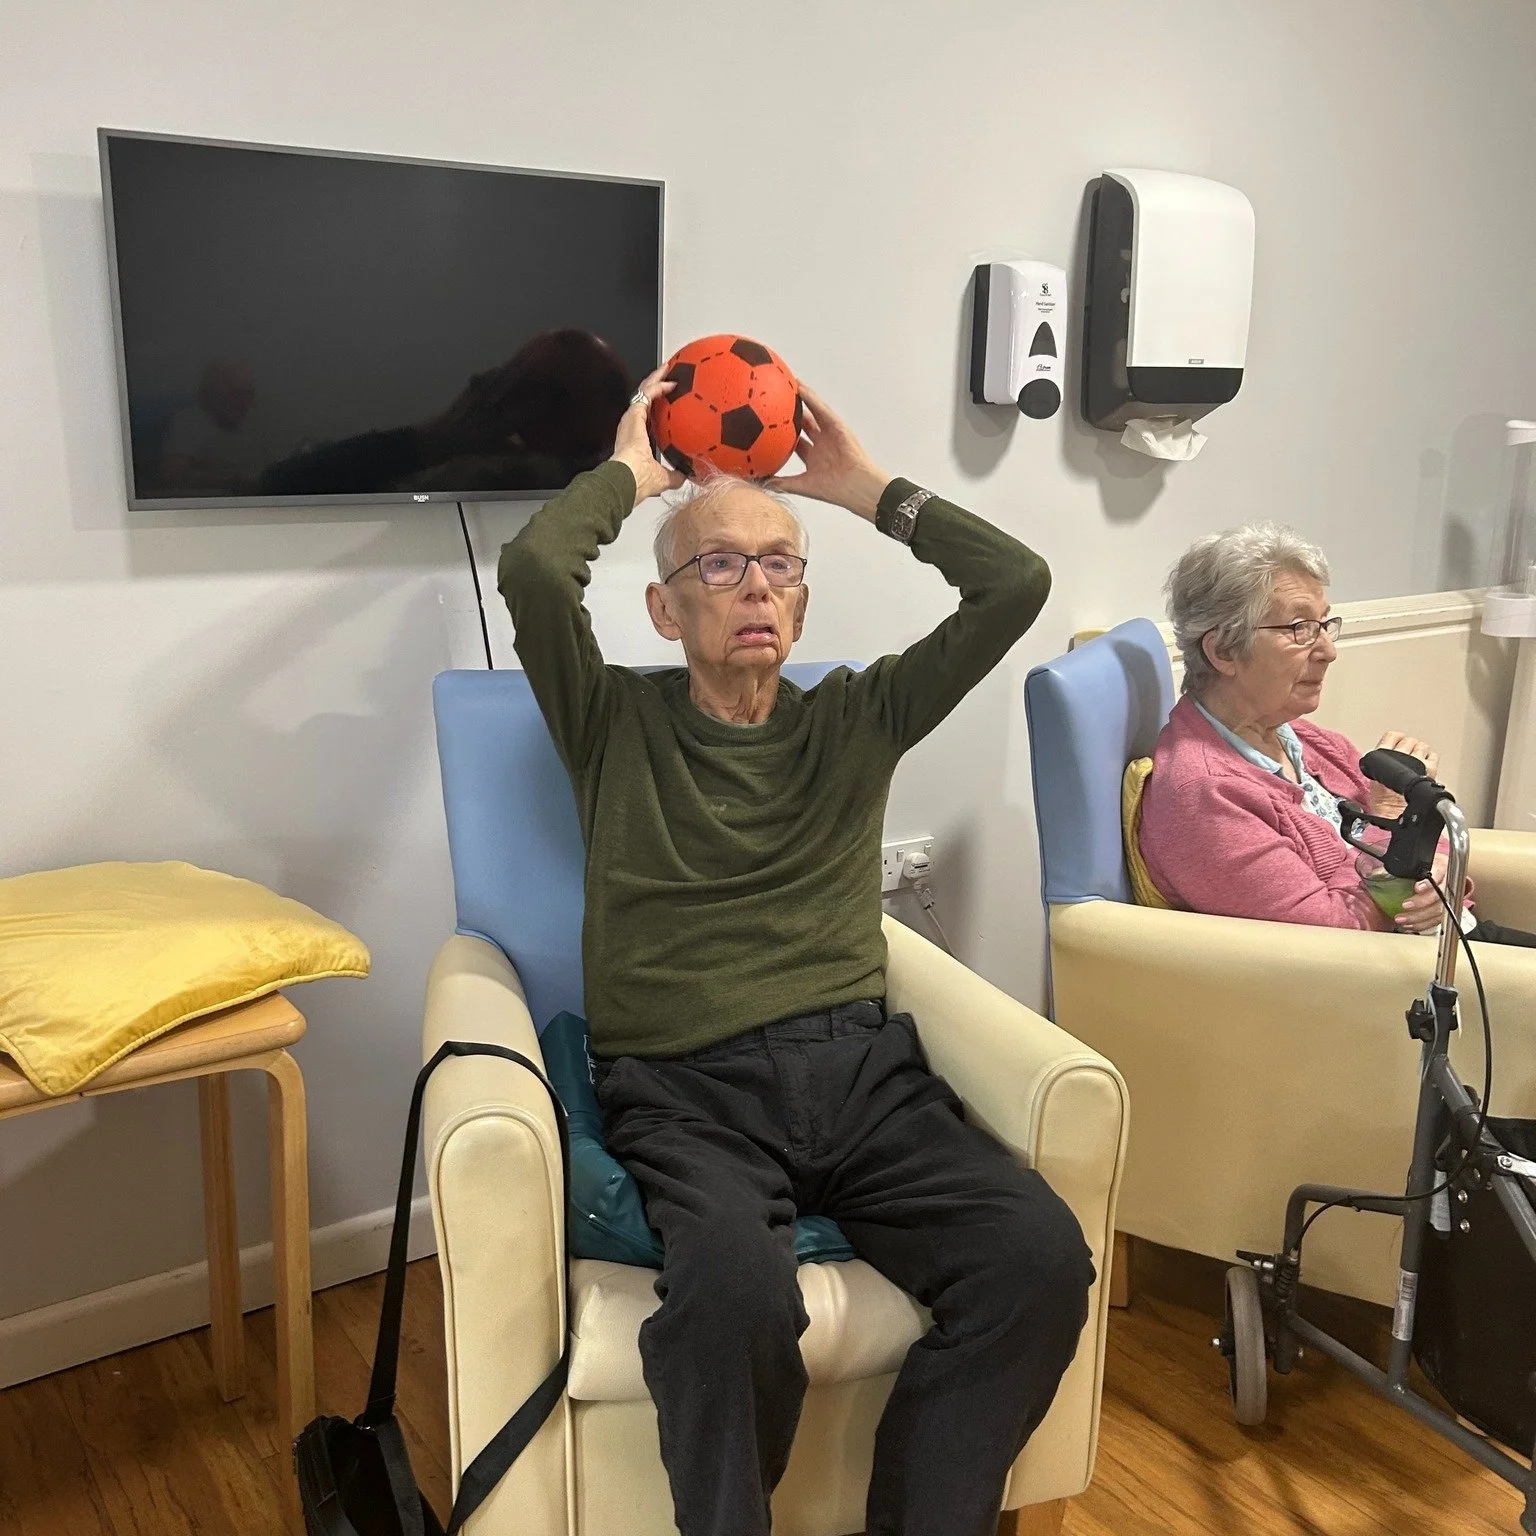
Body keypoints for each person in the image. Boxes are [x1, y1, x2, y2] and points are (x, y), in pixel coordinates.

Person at [498, 371, 1095, 1536]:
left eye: (780, 562)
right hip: (683, 1090)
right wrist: (633, 472)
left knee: (1037, 1260)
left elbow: (1014, 582)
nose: (755, 585)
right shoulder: (609, 719)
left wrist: (867, 491)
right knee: (730, 1296)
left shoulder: (857, 717)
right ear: (667, 613)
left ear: (805, 606)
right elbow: (532, 573)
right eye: (719, 565)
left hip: (862, 1078)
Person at [1140, 523, 1536, 946]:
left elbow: (1420, 852)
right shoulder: (1204, 795)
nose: (1328, 651)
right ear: (1222, 651)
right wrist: (1388, 817)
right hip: (1398, 981)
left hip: (1455, 940)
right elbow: (1336, 938)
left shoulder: (1303, 739)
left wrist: (1435, 883)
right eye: (1300, 629)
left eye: (1325, 625)